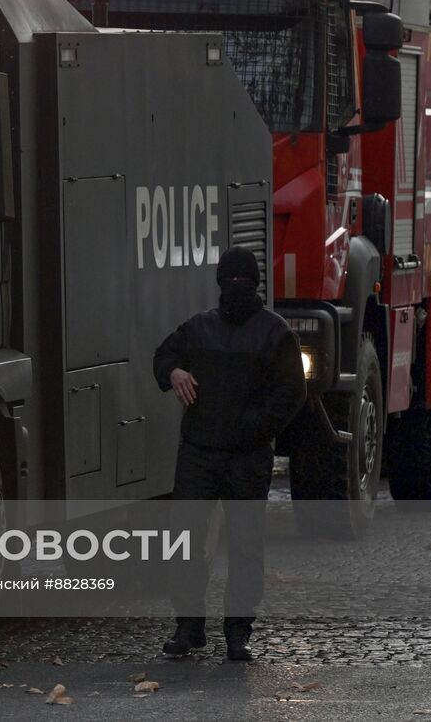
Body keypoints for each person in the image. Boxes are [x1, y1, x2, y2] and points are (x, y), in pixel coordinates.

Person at [152, 246, 305, 661]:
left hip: (242, 456)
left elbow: (292, 392)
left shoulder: (272, 334)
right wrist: (174, 372)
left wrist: (255, 429)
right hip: (205, 453)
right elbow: (163, 356)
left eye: (239, 281)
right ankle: (192, 626)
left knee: (244, 544)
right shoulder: (203, 329)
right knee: (187, 540)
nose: (234, 288)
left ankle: (235, 630)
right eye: (230, 281)